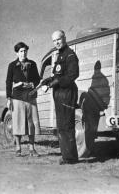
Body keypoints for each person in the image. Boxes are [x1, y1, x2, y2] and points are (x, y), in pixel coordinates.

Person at [42, 30, 79, 164]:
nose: (56, 42)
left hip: (67, 94)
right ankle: (66, 156)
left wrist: (54, 83)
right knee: (61, 127)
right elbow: (58, 74)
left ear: (64, 38)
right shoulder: (60, 55)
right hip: (59, 95)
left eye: (58, 39)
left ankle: (70, 158)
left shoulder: (70, 55)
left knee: (67, 126)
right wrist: (48, 80)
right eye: (54, 40)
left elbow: (72, 75)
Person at [6, 42, 41, 157]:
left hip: (30, 96)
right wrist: (8, 97)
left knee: (31, 123)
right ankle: (18, 148)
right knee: (18, 123)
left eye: (25, 50)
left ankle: (32, 148)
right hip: (17, 97)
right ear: (17, 52)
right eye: (21, 51)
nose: (23, 53)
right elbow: (8, 82)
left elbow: (37, 79)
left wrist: (32, 84)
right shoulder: (12, 65)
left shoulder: (33, 64)